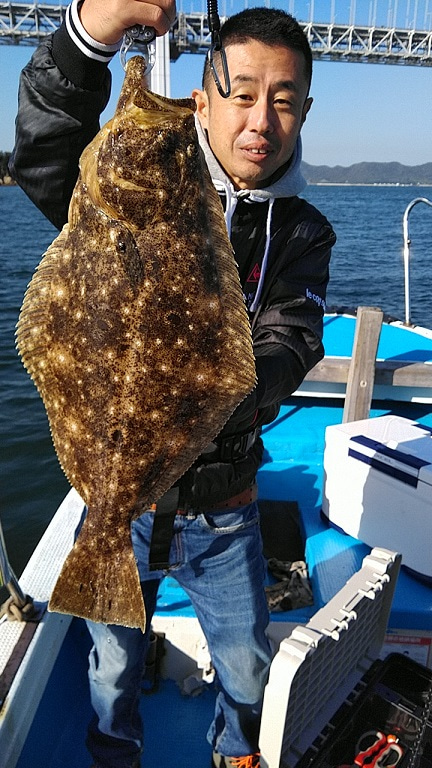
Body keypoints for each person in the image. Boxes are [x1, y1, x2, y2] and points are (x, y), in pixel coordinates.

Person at [10, 1, 336, 766]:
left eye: (283, 101)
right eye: (242, 93)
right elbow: (47, 142)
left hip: (223, 511)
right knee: (112, 666)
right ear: (203, 100)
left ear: (305, 112)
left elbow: (291, 340)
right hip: (115, 506)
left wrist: (209, 396)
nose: (261, 120)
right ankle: (112, 755)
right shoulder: (106, 198)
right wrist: (92, 26)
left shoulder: (303, 231)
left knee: (248, 666)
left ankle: (233, 751)